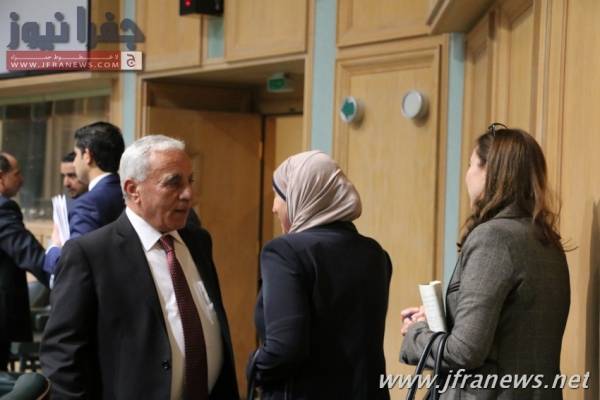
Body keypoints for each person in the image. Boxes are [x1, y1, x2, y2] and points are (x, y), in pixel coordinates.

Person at [41, 135, 239, 400]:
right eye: (173, 182)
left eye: (190, 181)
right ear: (133, 189)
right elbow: (62, 355)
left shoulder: (199, 242)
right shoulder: (91, 254)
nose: (188, 194)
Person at [400, 125, 570, 399]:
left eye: (471, 164)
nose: (467, 174)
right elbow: (509, 330)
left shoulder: (493, 238)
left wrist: (415, 333)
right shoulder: (547, 240)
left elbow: (465, 351)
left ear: (489, 171)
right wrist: (439, 320)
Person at [247, 150, 392, 400]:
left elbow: (284, 348)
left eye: (279, 195)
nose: (273, 207)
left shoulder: (284, 252)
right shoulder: (376, 254)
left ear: (303, 195)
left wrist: (254, 367)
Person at [44, 122, 125, 276]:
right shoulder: (129, 193)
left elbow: (72, 266)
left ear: (87, 155)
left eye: (76, 155)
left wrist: (53, 247)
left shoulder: (87, 205)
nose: (75, 163)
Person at [0, 152, 49, 370]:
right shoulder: (3, 208)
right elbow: (28, 253)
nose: (21, 179)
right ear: (1, 177)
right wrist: (62, 277)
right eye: (17, 174)